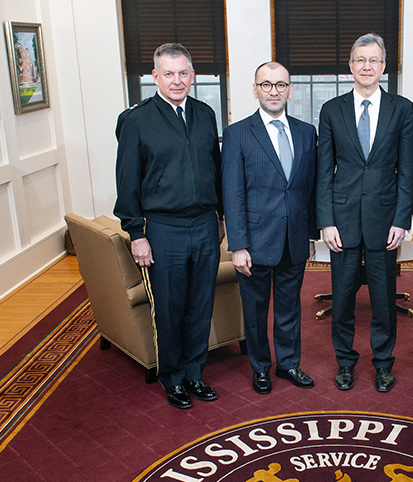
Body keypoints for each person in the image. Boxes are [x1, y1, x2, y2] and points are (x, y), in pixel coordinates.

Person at [113, 43, 225, 409]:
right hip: (163, 230)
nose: (177, 81)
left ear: (192, 76)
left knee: (200, 305)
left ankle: (195, 372)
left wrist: (221, 218)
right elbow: (127, 182)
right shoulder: (135, 121)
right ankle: (173, 377)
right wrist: (137, 234)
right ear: (154, 77)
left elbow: (217, 170)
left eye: (183, 73)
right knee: (170, 307)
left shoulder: (206, 114)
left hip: (205, 226)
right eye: (169, 73)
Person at [316, 33, 413, 393]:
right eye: (361, 60)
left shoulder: (402, 109)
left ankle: (383, 364)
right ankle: (345, 362)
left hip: (384, 222)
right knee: (342, 300)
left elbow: (407, 171)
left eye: (374, 60)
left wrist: (402, 220)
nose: (367, 66)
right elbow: (323, 171)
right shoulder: (331, 110)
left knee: (383, 301)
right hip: (341, 224)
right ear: (351, 66)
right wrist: (325, 221)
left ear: (384, 66)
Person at [222, 62, 317, 395]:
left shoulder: (307, 132)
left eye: (280, 85)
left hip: (294, 240)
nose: (274, 91)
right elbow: (232, 193)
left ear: (290, 90)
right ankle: (260, 367)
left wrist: (310, 234)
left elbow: (310, 188)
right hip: (255, 242)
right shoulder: (237, 134)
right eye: (266, 85)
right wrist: (238, 245)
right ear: (255, 89)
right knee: (256, 310)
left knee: (290, 307)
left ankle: (288, 363)